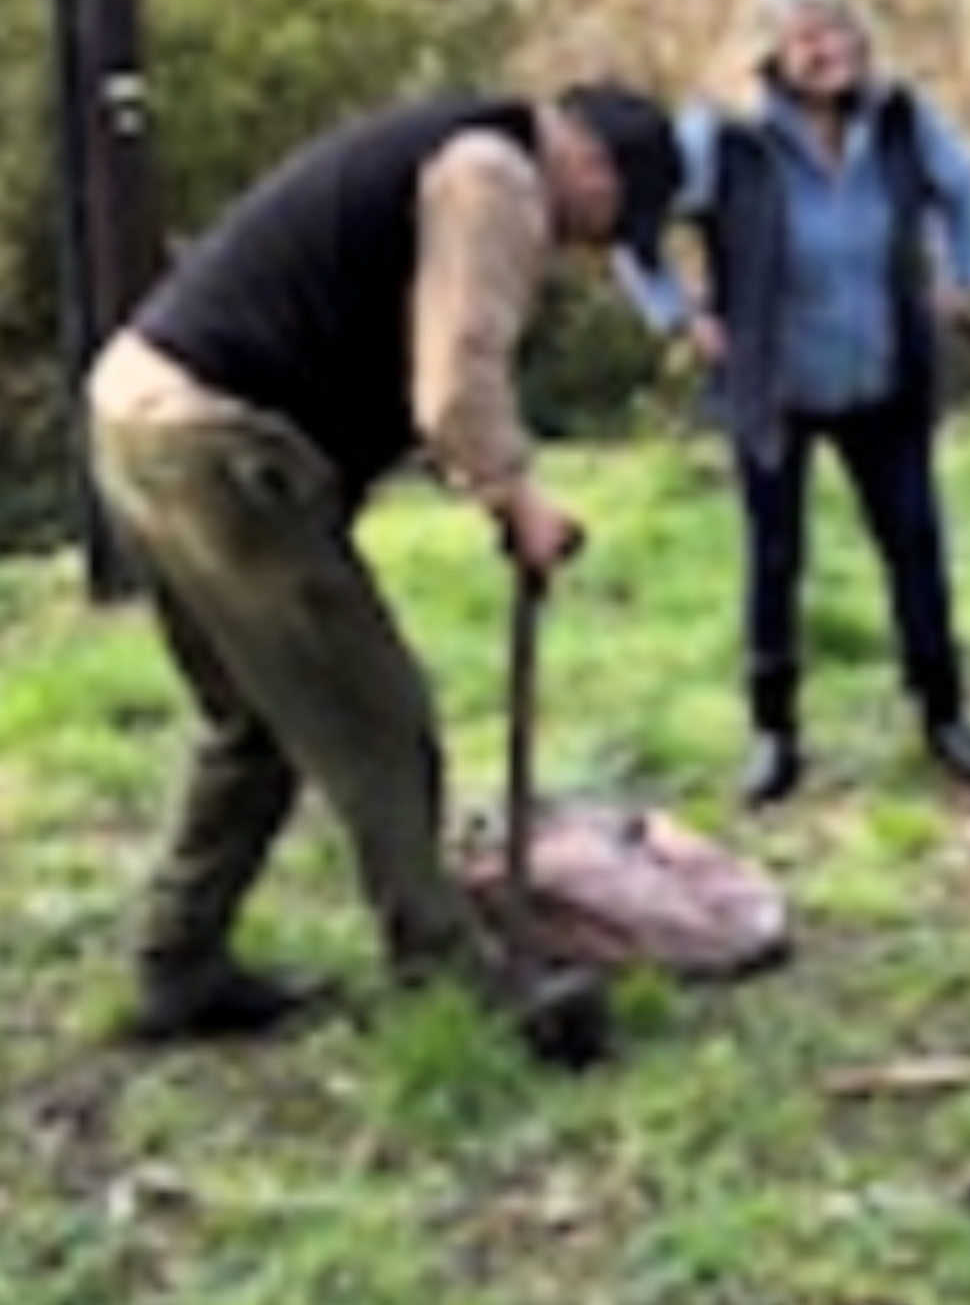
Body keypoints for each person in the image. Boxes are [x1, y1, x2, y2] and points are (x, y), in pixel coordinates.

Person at [86, 82, 684, 1045]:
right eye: (614, 223)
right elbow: (456, 377)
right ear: (594, 168)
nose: (595, 248)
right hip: (217, 442)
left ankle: (178, 965)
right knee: (381, 721)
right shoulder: (495, 178)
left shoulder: (460, 146)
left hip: (140, 417)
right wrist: (518, 497)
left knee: (257, 724)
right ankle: (450, 986)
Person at [629, 0, 970, 807]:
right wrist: (678, 314)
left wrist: (964, 272)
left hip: (885, 368)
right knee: (775, 558)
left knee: (915, 544)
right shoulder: (721, 135)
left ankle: (946, 717)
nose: (826, 52)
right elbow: (634, 217)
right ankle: (774, 735)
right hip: (775, 378)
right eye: (803, 38)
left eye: (837, 31)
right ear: (767, 51)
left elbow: (964, 185)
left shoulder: (902, 118)